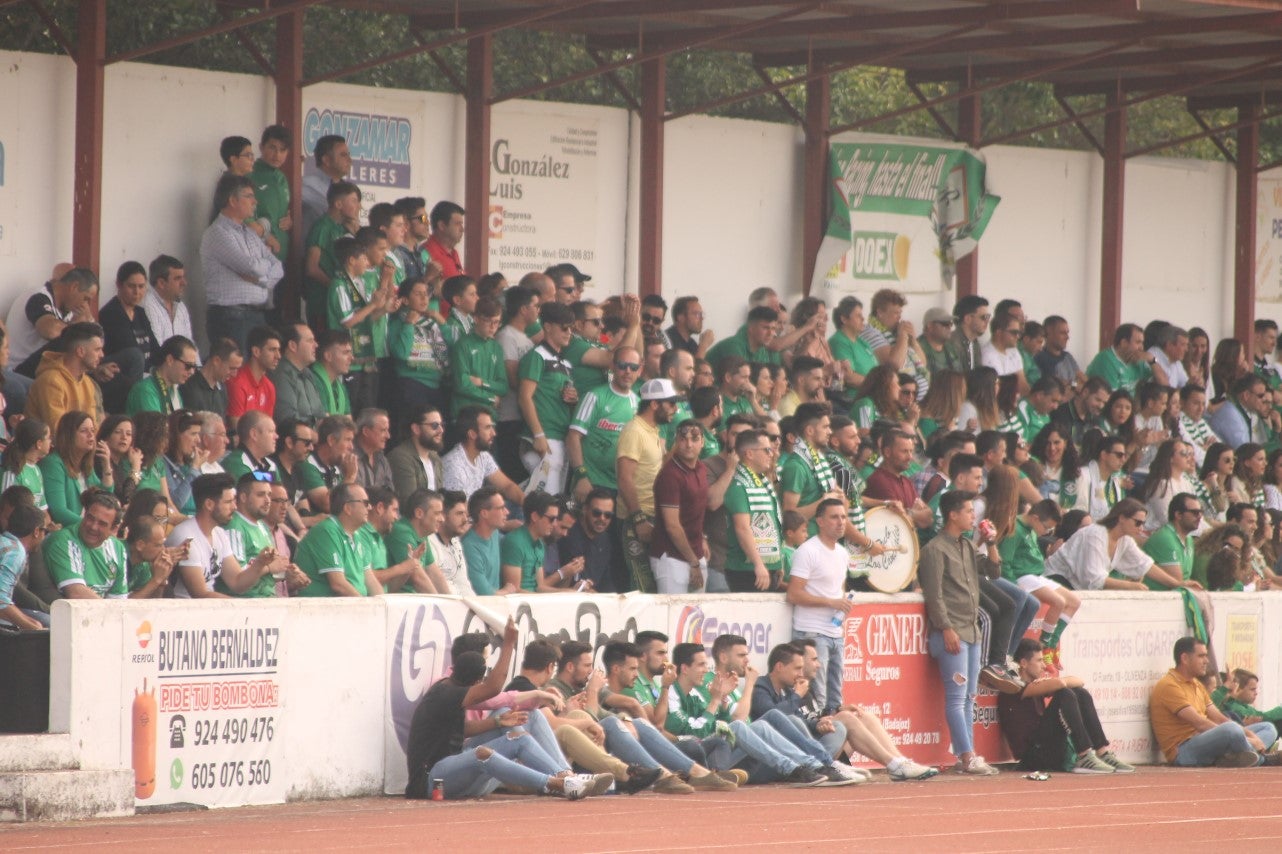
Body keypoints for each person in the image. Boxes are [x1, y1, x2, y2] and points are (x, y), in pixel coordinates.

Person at [405, 620, 611, 801]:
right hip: (432, 780)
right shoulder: (445, 692)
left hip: (463, 774)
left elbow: (468, 724)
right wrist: (509, 644)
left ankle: (567, 776)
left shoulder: (454, 689)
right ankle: (554, 784)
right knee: (482, 753)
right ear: (476, 682)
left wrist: (498, 722)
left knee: (520, 733)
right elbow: (494, 689)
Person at [918, 489, 999, 775]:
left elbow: (993, 572)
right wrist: (946, 627)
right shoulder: (934, 550)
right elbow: (934, 594)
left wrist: (990, 544)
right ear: (952, 514)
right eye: (968, 511)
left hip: (972, 630)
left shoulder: (966, 546)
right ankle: (967, 756)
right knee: (956, 696)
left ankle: (968, 755)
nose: (973, 516)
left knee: (968, 697)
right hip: (952, 631)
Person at [999, 638, 1135, 774]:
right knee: (1064, 694)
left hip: (1048, 747)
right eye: (1039, 661)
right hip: (1033, 755)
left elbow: (1079, 682)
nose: (1044, 666)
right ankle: (1084, 754)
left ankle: (1102, 752)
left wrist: (1059, 682)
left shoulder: (1036, 684)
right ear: (1023, 663)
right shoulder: (1014, 687)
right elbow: (1061, 684)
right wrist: (1058, 682)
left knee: (1080, 693)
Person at [1150, 637, 1278, 767]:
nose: (1206, 661)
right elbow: (1200, 724)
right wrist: (1249, 739)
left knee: (1268, 728)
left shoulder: (1196, 684)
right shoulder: (1169, 685)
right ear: (1185, 658)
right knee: (1231, 729)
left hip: (1206, 739)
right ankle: (1263, 759)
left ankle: (1234, 757)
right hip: (1184, 751)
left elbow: (1220, 718)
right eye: (1201, 656)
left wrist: (1252, 737)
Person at [785, 498, 857, 715]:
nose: (841, 522)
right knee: (818, 702)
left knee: (835, 702)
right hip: (812, 633)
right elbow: (794, 594)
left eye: (844, 517)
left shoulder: (843, 553)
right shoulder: (808, 551)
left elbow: (838, 590)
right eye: (834, 517)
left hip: (835, 632)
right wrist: (831, 602)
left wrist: (841, 604)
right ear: (820, 522)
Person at [201, 173, 284, 353]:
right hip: (232, 316)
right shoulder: (218, 233)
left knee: (257, 376)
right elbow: (250, 266)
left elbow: (278, 267)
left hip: (257, 314)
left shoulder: (250, 234)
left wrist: (261, 280)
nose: (255, 202)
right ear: (232, 200)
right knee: (237, 374)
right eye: (249, 196)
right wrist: (262, 266)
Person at [166, 473, 283, 598]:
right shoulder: (187, 537)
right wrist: (241, 607)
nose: (234, 507)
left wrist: (260, 564)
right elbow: (200, 594)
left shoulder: (219, 533)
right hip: (186, 611)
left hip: (210, 611)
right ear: (209, 505)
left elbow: (237, 582)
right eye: (228, 502)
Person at [617, 378, 679, 592]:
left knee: (654, 588)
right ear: (654, 404)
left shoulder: (652, 430)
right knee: (641, 588)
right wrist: (638, 519)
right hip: (637, 521)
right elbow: (624, 478)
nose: (676, 409)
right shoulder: (634, 431)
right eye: (671, 403)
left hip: (655, 517)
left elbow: (656, 472)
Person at [1044, 498, 1184, 591]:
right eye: (1138, 523)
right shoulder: (1096, 534)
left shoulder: (1125, 540)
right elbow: (1094, 579)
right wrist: (1132, 586)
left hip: (1075, 589)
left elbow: (1145, 565)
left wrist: (1179, 584)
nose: (1141, 529)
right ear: (1122, 517)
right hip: (1056, 581)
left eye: (1143, 524)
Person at [518, 302, 579, 495]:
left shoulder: (566, 362)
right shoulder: (537, 356)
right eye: (564, 327)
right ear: (547, 326)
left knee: (556, 500)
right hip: (544, 438)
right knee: (547, 502)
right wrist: (538, 435)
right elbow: (524, 397)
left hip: (561, 438)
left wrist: (573, 398)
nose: (569, 332)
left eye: (571, 328)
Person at [42, 488, 146, 600]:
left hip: (100, 613)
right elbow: (76, 593)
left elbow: (118, 600)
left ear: (114, 529)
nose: (93, 527)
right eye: (90, 518)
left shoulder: (117, 548)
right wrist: (109, 613)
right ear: (84, 514)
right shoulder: (63, 541)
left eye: (102, 524)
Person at [566, 347, 640, 497]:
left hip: (621, 488)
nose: (627, 371)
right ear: (612, 366)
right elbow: (573, 437)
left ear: (640, 370)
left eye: (633, 367)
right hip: (591, 484)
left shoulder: (639, 404)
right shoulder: (595, 396)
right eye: (622, 365)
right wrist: (581, 477)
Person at [293, 482, 384, 597]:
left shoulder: (358, 534)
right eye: (365, 503)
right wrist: (366, 608)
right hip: (322, 610)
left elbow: (370, 580)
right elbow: (338, 585)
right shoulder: (327, 531)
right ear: (348, 508)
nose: (370, 507)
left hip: (350, 608)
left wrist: (382, 607)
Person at [223, 472, 306, 598]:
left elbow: (271, 570)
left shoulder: (262, 525)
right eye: (261, 495)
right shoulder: (234, 527)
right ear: (243, 497)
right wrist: (269, 567)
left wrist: (287, 574)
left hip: (267, 601)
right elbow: (238, 577)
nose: (267, 500)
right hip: (244, 605)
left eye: (269, 494)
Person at [721, 429, 785, 592]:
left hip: (766, 567)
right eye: (767, 450)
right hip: (747, 570)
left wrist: (778, 562)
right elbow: (742, 528)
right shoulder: (739, 486)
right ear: (749, 453)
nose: (771, 454)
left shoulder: (762, 483)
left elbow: (772, 524)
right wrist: (759, 564)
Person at [9, 265, 96, 374]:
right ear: (74, 287)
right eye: (86, 298)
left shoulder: (68, 309)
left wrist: (90, 321)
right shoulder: (37, 296)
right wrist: (79, 326)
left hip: (41, 369)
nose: (85, 305)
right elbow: (50, 331)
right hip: (17, 370)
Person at [26, 322, 105, 431]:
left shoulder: (88, 383)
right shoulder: (51, 380)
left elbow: (93, 428)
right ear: (80, 351)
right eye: (97, 349)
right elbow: (58, 430)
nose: (102, 355)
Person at [441, 406, 523, 505]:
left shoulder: (483, 456)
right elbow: (460, 512)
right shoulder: (454, 466)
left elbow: (507, 486)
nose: (494, 433)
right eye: (488, 428)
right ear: (472, 434)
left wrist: (530, 508)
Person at [41, 411, 109, 528]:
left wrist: (107, 466)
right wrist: (93, 526)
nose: (91, 435)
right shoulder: (53, 464)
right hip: (65, 532)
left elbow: (105, 499)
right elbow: (59, 511)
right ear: (68, 435)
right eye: (84, 431)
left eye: (93, 430)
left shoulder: (85, 465)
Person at [98, 261, 157, 390]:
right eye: (131, 286)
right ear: (119, 285)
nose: (137, 292)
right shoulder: (110, 313)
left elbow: (155, 348)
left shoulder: (140, 313)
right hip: (119, 378)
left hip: (145, 375)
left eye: (141, 287)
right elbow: (128, 351)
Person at [500, 491, 571, 593]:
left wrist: (567, 593)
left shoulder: (540, 544)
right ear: (535, 516)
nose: (555, 524)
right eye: (552, 519)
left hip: (534, 601)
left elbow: (540, 587)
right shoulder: (514, 542)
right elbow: (514, 591)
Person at [0, 505, 52, 629]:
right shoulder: (15, 552)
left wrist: (29, 621)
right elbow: (1, 601)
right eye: (45, 530)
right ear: (36, 532)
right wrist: (33, 627)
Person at [125, 335, 197, 416]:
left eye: (194, 367)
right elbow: (155, 427)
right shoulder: (145, 390)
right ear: (170, 360)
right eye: (188, 366)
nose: (192, 372)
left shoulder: (175, 392)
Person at [250, 125, 292, 263]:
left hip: (280, 257)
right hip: (257, 256)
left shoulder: (282, 178)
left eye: (282, 150)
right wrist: (266, 236)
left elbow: (280, 213)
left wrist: (289, 220)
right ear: (261, 147)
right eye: (272, 148)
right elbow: (240, 217)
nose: (277, 155)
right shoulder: (249, 175)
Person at [226, 325, 281, 429]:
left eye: (278, 350)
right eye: (272, 350)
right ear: (256, 351)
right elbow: (237, 430)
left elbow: (268, 428)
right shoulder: (237, 383)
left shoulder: (269, 387)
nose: (278, 356)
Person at [1087, 323, 1166, 393]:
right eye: (1138, 342)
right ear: (1124, 343)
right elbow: (1111, 400)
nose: (1142, 348)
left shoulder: (1138, 359)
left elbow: (1164, 385)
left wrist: (1152, 360)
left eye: (1142, 343)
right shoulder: (1106, 360)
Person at [271, 324, 325, 425]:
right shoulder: (281, 374)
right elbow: (287, 419)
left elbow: (320, 414)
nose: (316, 345)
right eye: (310, 341)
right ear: (293, 346)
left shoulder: (308, 373)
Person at [462, 486, 509, 595]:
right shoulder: (469, 547)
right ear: (484, 513)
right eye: (501, 508)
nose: (506, 512)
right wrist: (507, 590)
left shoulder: (494, 533)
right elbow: (485, 594)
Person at [141, 255, 194, 350]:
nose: (184, 283)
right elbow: (159, 352)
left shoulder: (180, 306)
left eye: (183, 277)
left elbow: (190, 347)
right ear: (161, 283)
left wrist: (196, 365)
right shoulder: (148, 305)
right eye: (178, 278)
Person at [426, 490, 473, 595]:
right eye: (459, 514)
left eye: (466, 514)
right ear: (443, 515)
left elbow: (463, 583)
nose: (465, 519)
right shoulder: (429, 542)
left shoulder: (456, 542)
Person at [1, 418, 50, 512]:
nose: (50, 441)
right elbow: (6, 511)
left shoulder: (37, 470)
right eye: (48, 437)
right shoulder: (13, 470)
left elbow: (43, 510)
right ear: (39, 443)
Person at [181, 337, 240, 415]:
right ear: (216, 361)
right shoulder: (190, 388)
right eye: (231, 368)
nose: (234, 374)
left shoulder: (222, 390)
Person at [222, 411, 279, 482]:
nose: (276, 436)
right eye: (271, 431)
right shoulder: (235, 464)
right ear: (254, 434)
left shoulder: (271, 465)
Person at [310, 328, 354, 417]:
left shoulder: (339, 386)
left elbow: (348, 421)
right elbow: (323, 421)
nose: (351, 358)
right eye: (345, 353)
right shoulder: (313, 380)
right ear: (328, 356)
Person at [353, 408, 393, 491]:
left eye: (387, 430)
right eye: (383, 430)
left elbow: (390, 494)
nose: (388, 436)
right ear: (366, 431)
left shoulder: (382, 459)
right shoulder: (350, 457)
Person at [424, 200, 466, 279]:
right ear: (442, 226)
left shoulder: (454, 253)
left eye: (462, 224)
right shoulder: (426, 252)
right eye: (457, 224)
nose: (462, 229)